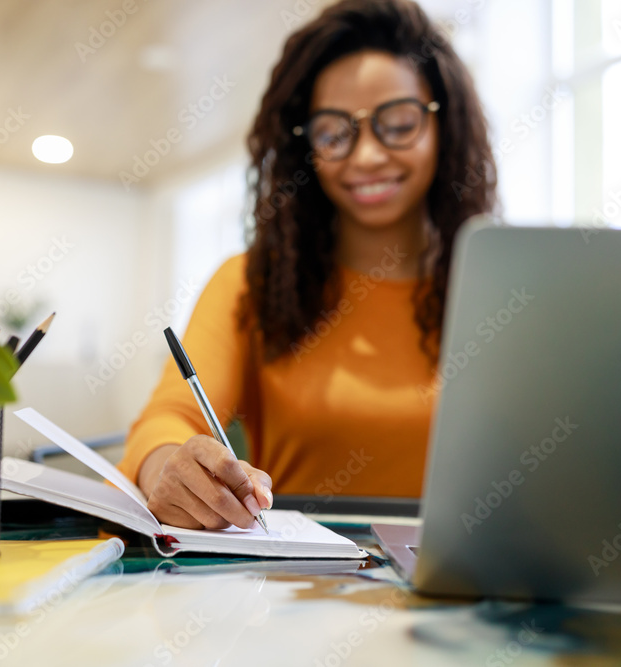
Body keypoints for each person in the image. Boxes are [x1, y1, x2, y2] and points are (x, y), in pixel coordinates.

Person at [118, 0, 497, 530]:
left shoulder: (504, 288)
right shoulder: (250, 283)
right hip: (295, 591)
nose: (365, 156)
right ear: (305, 147)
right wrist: (170, 467)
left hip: (473, 591)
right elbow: (167, 419)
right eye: (333, 132)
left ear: (445, 127)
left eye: (399, 123)